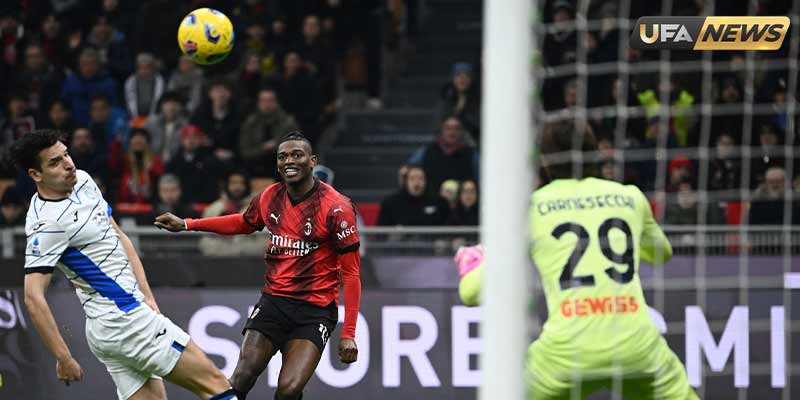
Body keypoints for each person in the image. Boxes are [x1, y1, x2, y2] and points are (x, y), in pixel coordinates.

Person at [454, 121, 698, 399]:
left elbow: (471, 293)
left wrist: (474, 262)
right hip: (637, 349)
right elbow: (662, 253)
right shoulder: (630, 197)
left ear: (545, 160)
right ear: (595, 153)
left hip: (565, 356)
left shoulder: (530, 209)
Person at [10, 130, 239, 400]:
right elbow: (33, 297)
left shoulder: (83, 180)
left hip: (116, 325)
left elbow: (118, 235)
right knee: (216, 385)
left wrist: (147, 296)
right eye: (54, 163)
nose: (68, 164)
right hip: (125, 322)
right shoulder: (47, 225)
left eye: (66, 155)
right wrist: (63, 357)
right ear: (35, 174)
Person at [154, 131, 361, 400]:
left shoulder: (336, 208)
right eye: (283, 156)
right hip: (274, 302)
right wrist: (187, 224)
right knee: (242, 375)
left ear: (312, 161)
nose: (289, 161)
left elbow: (351, 274)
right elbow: (243, 222)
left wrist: (349, 333)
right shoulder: (270, 197)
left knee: (289, 390)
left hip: (315, 310)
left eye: (297, 155)